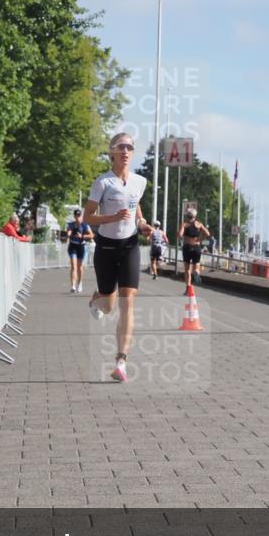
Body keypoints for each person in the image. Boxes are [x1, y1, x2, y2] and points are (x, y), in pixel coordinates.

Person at [83, 132, 153, 382]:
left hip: (130, 246)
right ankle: (97, 299)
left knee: (127, 302)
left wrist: (142, 224)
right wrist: (112, 217)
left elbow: (135, 208)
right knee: (108, 305)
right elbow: (87, 217)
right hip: (106, 248)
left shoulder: (140, 182)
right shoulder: (102, 183)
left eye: (130, 147)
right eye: (121, 147)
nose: (125, 151)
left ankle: (121, 362)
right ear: (112, 151)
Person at [178, 209, 210, 293]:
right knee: (196, 265)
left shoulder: (185, 224)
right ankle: (196, 272)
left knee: (187, 270)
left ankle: (188, 288)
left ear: (187, 216)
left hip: (187, 247)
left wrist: (183, 237)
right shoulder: (199, 224)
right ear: (195, 216)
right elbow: (207, 233)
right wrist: (200, 239)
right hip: (196, 247)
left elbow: (180, 235)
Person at [66, 208, 94, 293]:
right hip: (73, 246)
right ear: (74, 216)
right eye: (76, 216)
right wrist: (69, 234)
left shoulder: (85, 225)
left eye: (79, 216)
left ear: (81, 216)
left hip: (81, 246)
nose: (78, 217)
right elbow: (68, 232)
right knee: (73, 266)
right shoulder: (71, 224)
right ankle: (73, 285)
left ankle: (80, 283)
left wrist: (82, 236)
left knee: (80, 266)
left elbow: (91, 235)